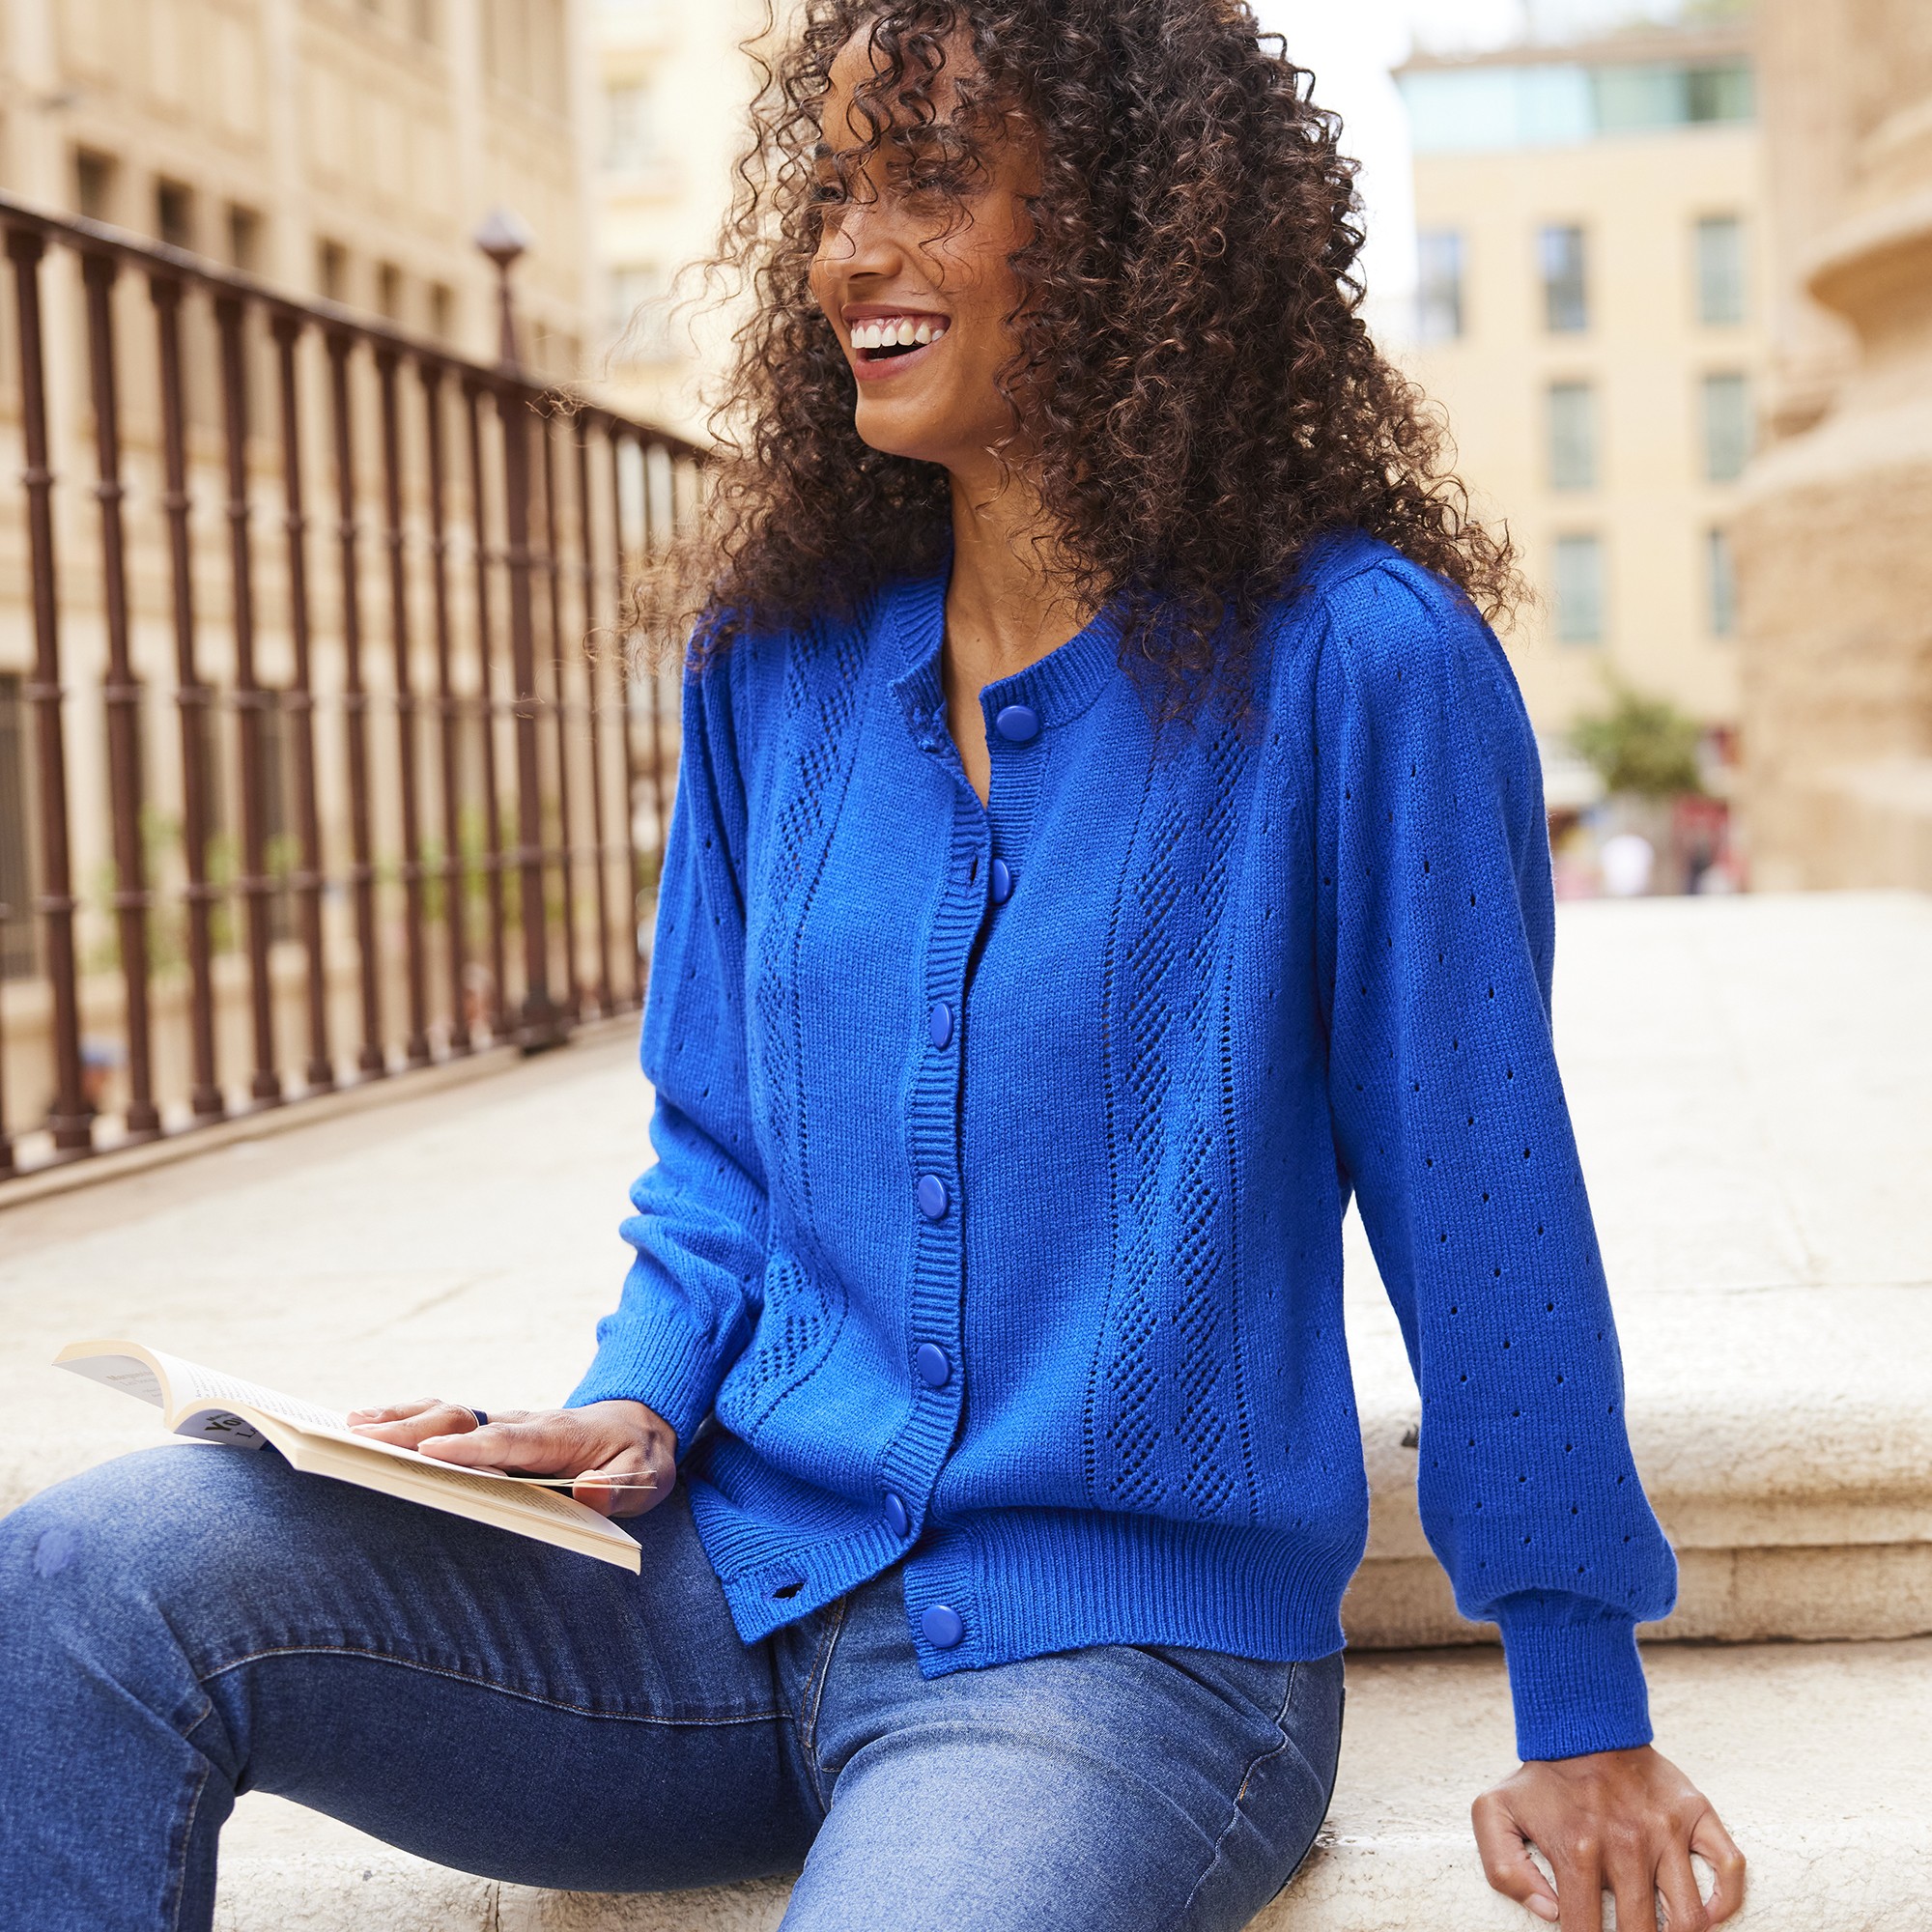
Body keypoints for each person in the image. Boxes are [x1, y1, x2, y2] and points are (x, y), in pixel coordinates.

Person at [0, 7, 1747, 1931]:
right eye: (832, 193)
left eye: (926, 182)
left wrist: (1579, 1697)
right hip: (724, 1594)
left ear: (1128, 224)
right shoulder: (775, 660)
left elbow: (1483, 1201)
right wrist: (641, 1395)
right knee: (85, 1585)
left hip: (1115, 1671)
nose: (847, 254)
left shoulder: (1360, 666)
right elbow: (723, 1145)